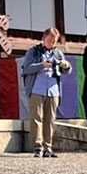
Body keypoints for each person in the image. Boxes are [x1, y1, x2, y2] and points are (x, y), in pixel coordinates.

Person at [21, 27, 71, 158]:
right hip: (36, 89)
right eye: (49, 40)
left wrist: (66, 65)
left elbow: (66, 71)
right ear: (43, 38)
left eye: (54, 41)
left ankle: (48, 147)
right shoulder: (33, 52)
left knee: (50, 120)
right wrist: (42, 65)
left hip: (53, 90)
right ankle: (38, 147)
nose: (52, 44)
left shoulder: (58, 54)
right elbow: (26, 68)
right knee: (36, 118)